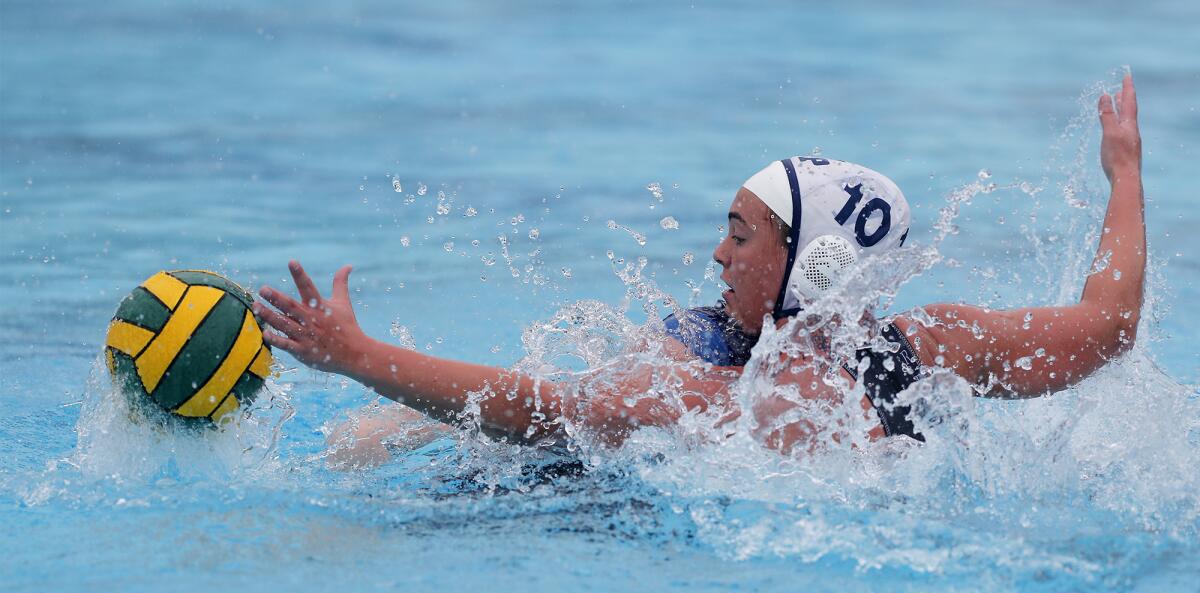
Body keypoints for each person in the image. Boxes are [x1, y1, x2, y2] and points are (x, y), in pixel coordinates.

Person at [255, 74, 1144, 460]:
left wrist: (359, 360)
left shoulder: (711, 395)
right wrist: (1126, 175)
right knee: (374, 443)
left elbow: (539, 408)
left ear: (818, 263)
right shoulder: (932, 345)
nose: (718, 254)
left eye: (742, 235)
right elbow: (1109, 322)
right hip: (594, 453)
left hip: (603, 501)